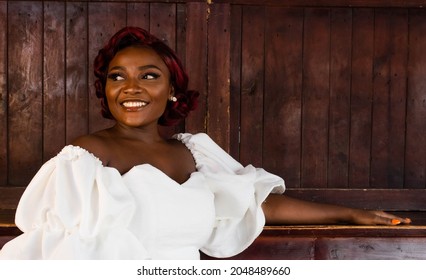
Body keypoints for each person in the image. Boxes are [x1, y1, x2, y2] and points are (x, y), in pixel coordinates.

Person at [0, 26, 411, 260]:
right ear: (104, 91)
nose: (130, 88)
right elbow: (63, 253)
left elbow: (255, 204)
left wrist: (349, 216)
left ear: (172, 91)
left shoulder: (193, 152)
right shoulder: (85, 157)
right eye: (116, 77)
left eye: (148, 75)